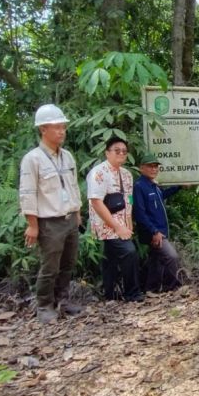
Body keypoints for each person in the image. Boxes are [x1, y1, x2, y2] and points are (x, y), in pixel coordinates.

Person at [19, 104, 83, 324]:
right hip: (49, 222)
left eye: (63, 127)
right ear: (43, 129)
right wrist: (32, 224)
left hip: (69, 218)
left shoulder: (67, 157)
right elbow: (27, 193)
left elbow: (73, 185)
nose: (61, 132)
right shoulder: (33, 159)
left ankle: (62, 300)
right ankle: (45, 305)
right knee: (50, 266)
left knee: (68, 262)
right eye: (56, 128)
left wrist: (78, 211)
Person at [87, 136, 144, 302]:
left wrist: (127, 223)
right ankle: (132, 293)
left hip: (123, 225)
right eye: (116, 150)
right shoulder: (98, 173)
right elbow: (96, 202)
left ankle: (110, 293)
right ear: (107, 153)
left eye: (124, 151)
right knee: (129, 252)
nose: (121, 153)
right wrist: (117, 227)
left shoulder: (126, 174)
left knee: (110, 259)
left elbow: (129, 200)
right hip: (106, 225)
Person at [132, 152, 183, 293]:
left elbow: (162, 195)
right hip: (154, 232)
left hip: (161, 230)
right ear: (141, 168)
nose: (154, 169)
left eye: (156, 167)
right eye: (150, 166)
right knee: (172, 257)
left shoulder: (153, 185)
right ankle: (174, 288)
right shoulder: (139, 186)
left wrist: (179, 186)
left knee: (156, 261)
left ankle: (151, 290)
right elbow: (140, 213)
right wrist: (154, 232)